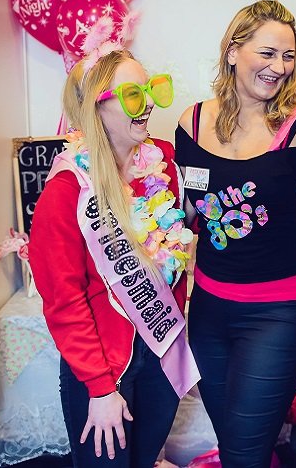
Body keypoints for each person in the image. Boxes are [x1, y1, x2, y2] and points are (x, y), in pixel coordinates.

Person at [174, 0, 296, 467]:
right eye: (267, 53)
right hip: (208, 313)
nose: (279, 67)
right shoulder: (193, 122)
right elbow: (188, 217)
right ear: (232, 51)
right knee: (236, 447)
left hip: (278, 315)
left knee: (245, 453)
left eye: (288, 56)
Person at [29, 48, 197, 467]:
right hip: (103, 367)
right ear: (96, 107)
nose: (149, 106)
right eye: (132, 95)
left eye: (150, 90)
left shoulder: (164, 168)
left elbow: (175, 257)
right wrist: (99, 389)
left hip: (160, 355)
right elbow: (64, 302)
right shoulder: (66, 192)